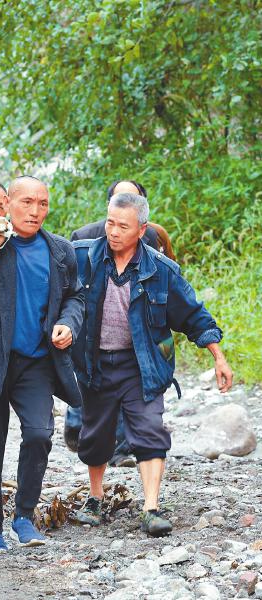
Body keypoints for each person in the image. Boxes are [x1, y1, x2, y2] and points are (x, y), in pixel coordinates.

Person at [70, 192, 232, 536]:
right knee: (96, 435)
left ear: (141, 230)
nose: (114, 231)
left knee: (149, 430)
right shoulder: (83, 257)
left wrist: (218, 357)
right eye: (110, 223)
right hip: (95, 363)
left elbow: (194, 316)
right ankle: (95, 498)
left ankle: (151, 508)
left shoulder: (161, 270)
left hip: (140, 364)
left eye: (123, 226)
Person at [0, 176, 85, 554]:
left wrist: (69, 324)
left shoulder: (60, 250)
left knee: (40, 434)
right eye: (27, 202)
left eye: (42, 203)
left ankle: (24, 516)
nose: (35, 210)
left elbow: (75, 298)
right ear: (7, 204)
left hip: (36, 363)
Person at [65, 180, 176, 459]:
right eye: (120, 198)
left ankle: (125, 448)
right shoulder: (84, 238)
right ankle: (80, 429)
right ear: (109, 205)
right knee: (88, 398)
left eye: (133, 198)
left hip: (136, 337)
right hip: (90, 339)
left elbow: (166, 279)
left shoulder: (152, 236)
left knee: (137, 394)